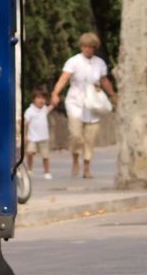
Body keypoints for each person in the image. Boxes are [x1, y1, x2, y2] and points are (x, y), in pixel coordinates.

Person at [51, 31, 118, 179]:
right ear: (81, 47)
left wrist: (113, 96)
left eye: (91, 47)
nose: (88, 49)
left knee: (90, 138)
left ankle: (87, 167)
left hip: (93, 105)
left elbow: (104, 80)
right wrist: (55, 93)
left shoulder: (99, 63)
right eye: (85, 46)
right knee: (76, 135)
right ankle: (75, 158)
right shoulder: (74, 61)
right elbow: (64, 78)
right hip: (75, 102)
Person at [24, 86, 53, 180]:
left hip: (44, 137)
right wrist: (25, 135)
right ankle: (30, 169)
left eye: (43, 98)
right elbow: (26, 124)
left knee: (45, 155)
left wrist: (54, 102)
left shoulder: (44, 109)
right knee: (29, 152)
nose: (41, 100)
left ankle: (47, 171)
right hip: (32, 137)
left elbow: (50, 107)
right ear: (34, 99)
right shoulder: (30, 111)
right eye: (39, 98)